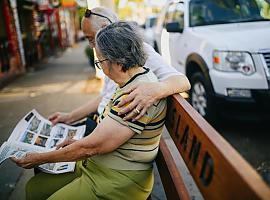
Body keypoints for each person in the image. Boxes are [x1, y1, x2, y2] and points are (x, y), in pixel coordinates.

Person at [12, 21, 167, 200]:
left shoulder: (135, 96)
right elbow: (104, 135)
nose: (101, 69)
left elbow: (94, 146)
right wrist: (78, 140)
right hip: (98, 167)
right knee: (35, 188)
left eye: (100, 62)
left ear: (115, 61)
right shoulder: (136, 78)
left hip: (116, 180)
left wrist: (40, 158)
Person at [48, 7, 190, 135]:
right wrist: (69, 117)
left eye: (91, 38)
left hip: (109, 130)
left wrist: (155, 90)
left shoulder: (138, 50)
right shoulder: (110, 54)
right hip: (99, 122)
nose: (91, 45)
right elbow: (104, 97)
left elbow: (182, 81)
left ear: (106, 27)